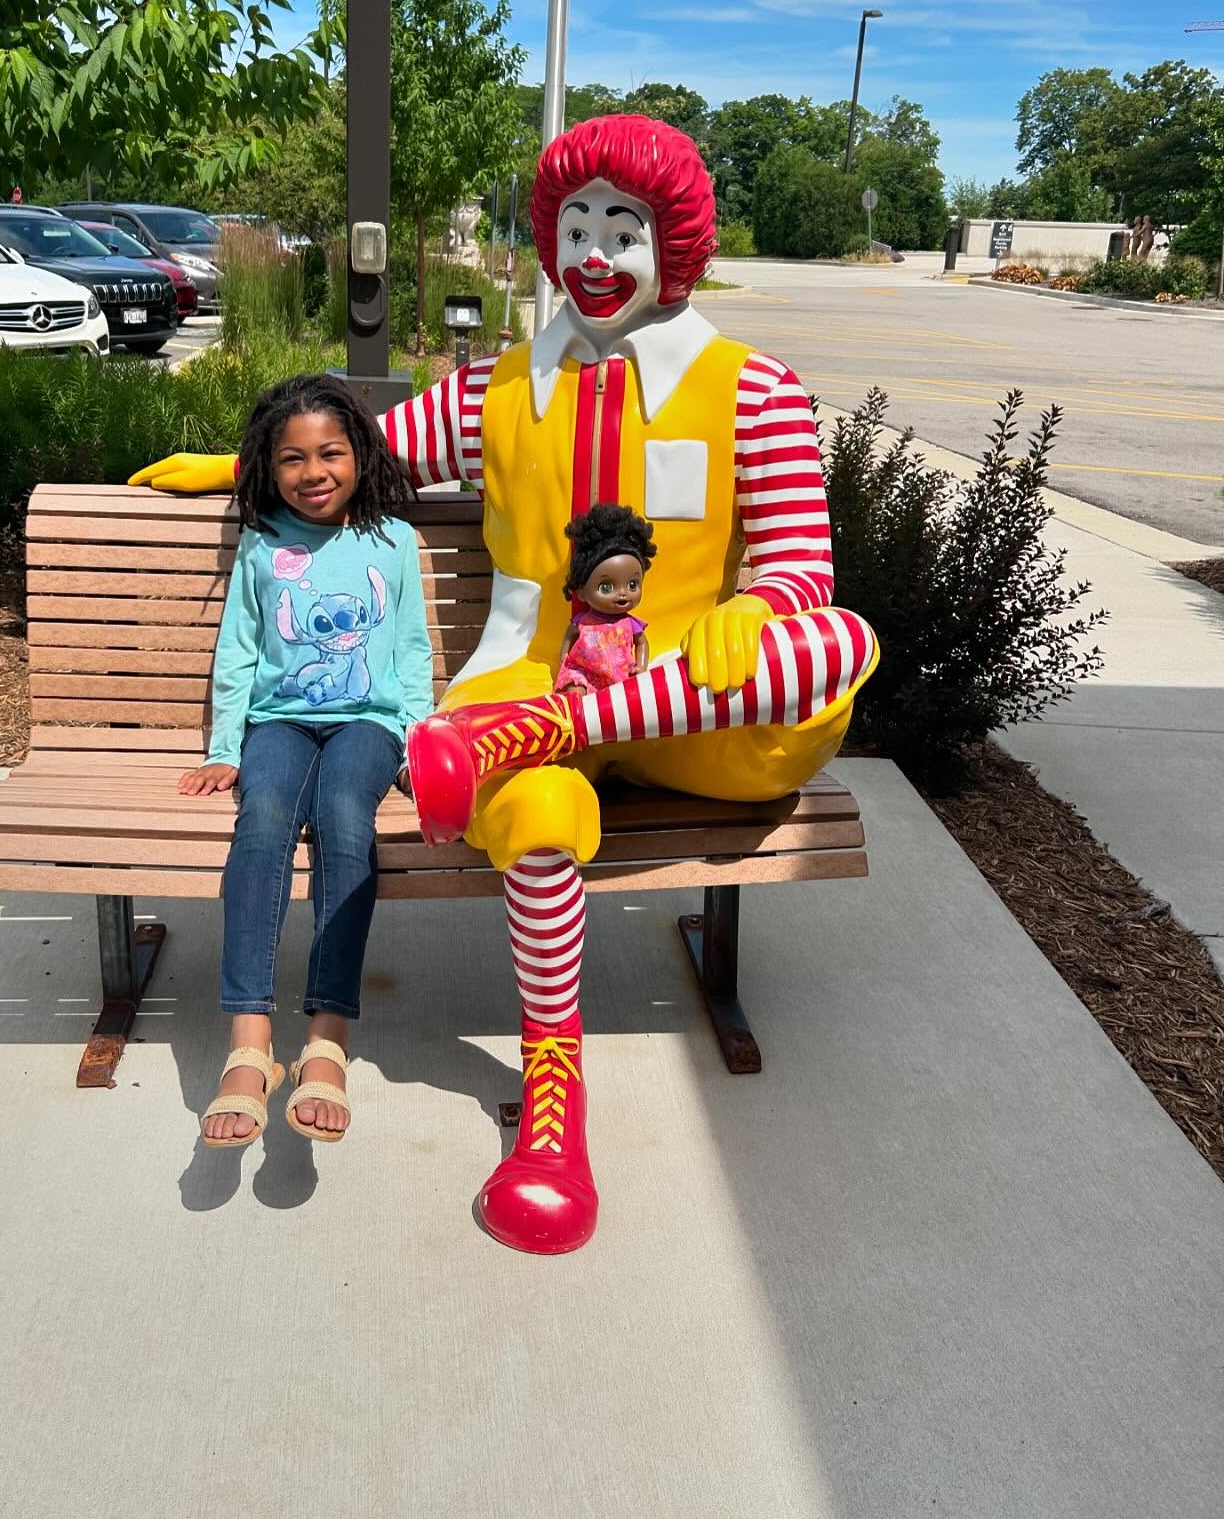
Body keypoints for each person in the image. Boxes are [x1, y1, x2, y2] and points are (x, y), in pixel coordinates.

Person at [132, 114, 878, 1255]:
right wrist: (241, 471)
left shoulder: (758, 392)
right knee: (536, 816)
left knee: (839, 641)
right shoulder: (496, 391)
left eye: (621, 229)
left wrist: (758, 613)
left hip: (699, 701)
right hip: (518, 686)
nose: (593, 252)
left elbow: (801, 572)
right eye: (576, 226)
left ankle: (539, 732)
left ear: (670, 245)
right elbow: (372, 451)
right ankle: (551, 1116)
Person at [181, 375, 433, 1151]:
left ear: (360, 453)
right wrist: (227, 747)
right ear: (266, 464)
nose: (312, 472)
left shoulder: (392, 541)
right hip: (279, 724)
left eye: (330, 453)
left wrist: (419, 742)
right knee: (260, 821)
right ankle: (250, 1045)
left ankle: (328, 1037)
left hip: (367, 725)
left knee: (343, 818)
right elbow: (240, 650)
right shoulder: (263, 542)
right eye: (292, 458)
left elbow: (415, 654)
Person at [555, 503, 656, 693]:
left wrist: (641, 666)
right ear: (582, 592)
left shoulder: (630, 623)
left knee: (622, 698)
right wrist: (564, 655)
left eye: (632, 584)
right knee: (575, 690)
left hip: (618, 677)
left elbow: (642, 642)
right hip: (582, 672)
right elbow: (570, 633)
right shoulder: (583, 621)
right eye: (607, 587)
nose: (622, 593)